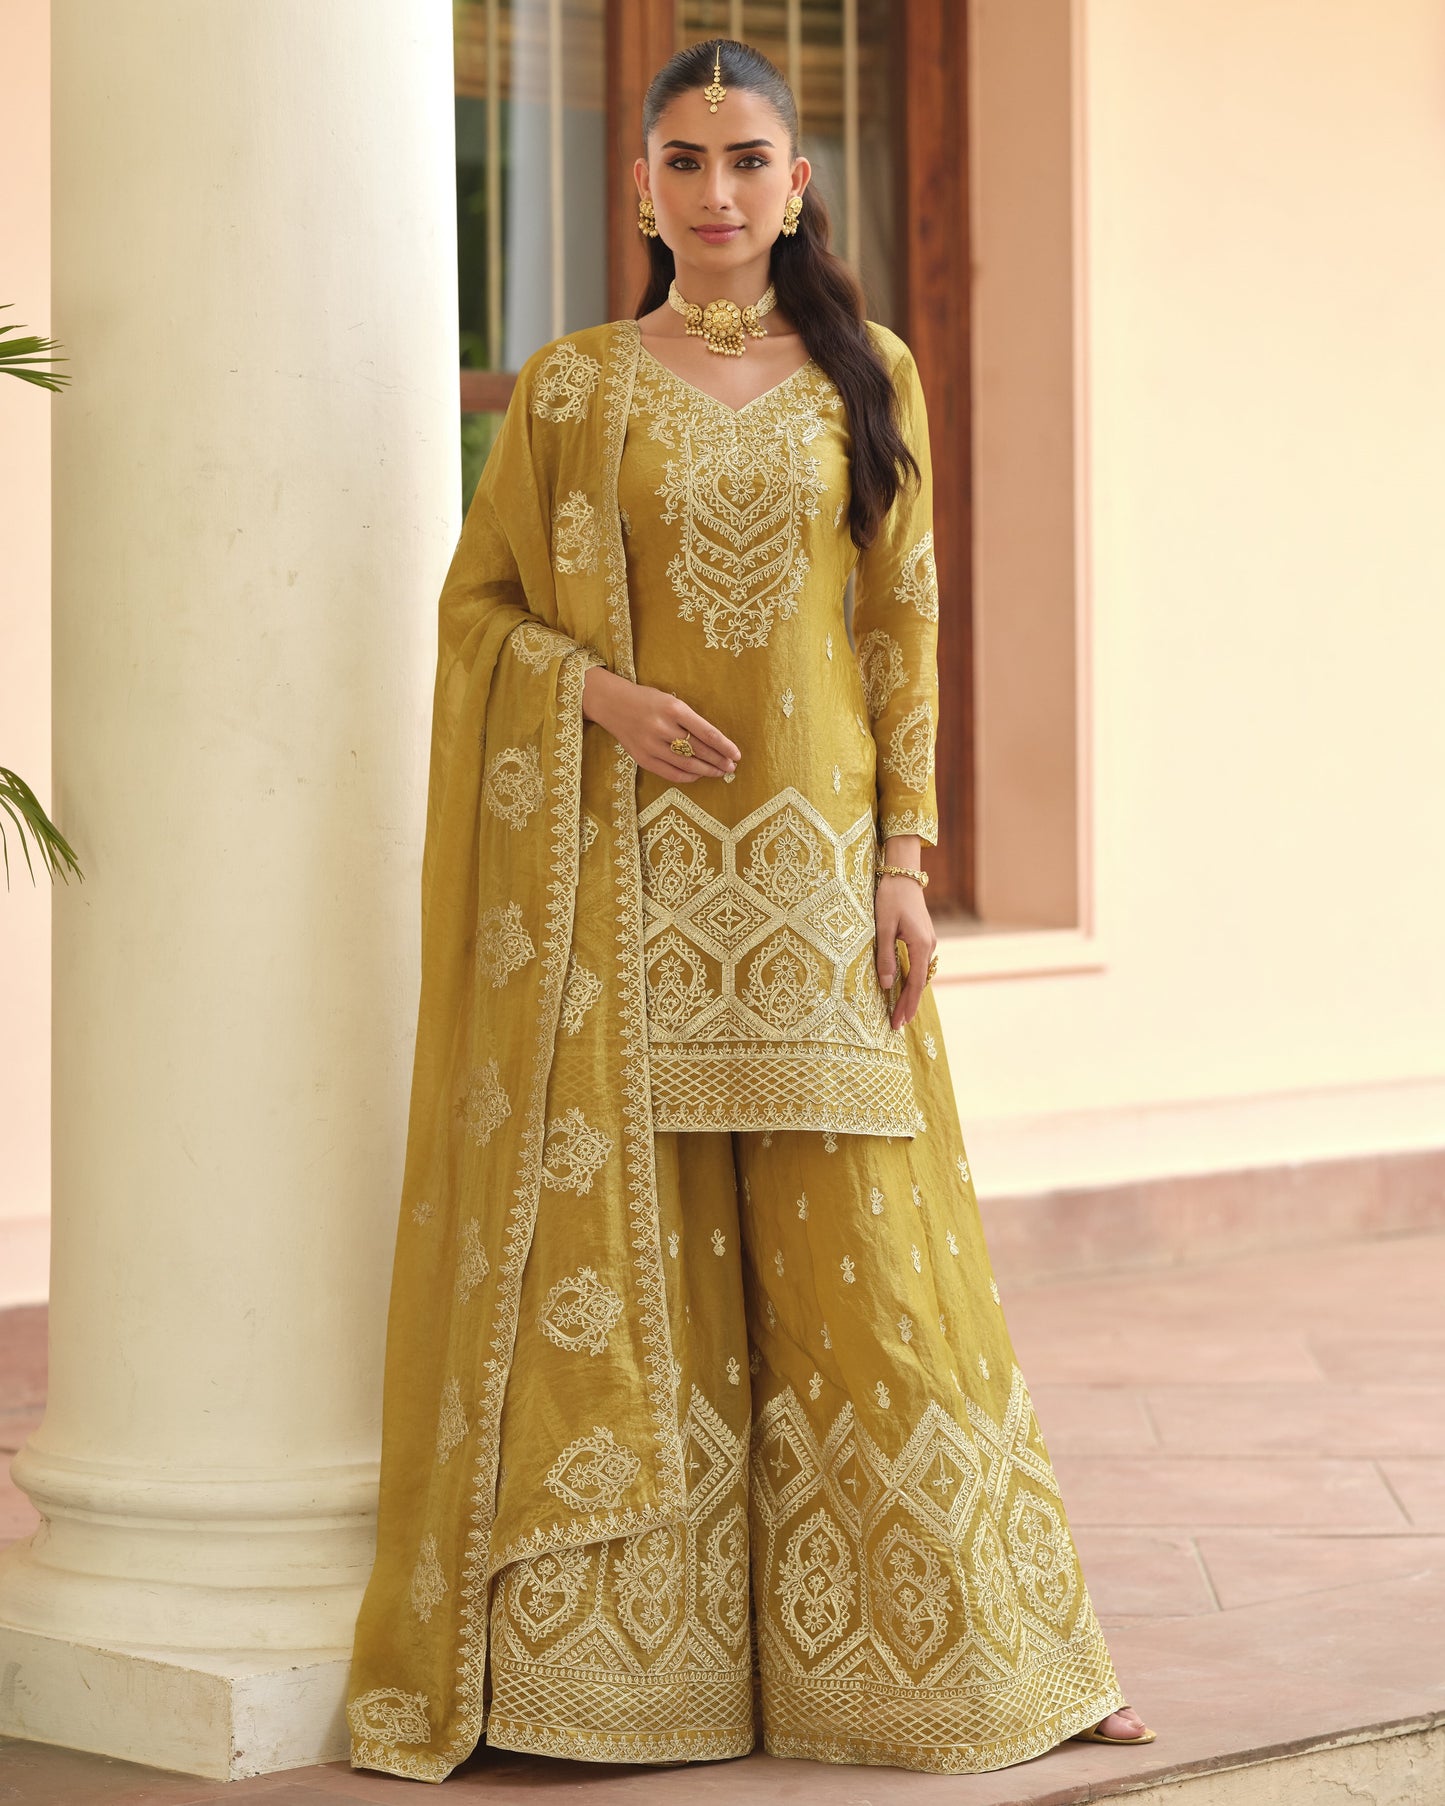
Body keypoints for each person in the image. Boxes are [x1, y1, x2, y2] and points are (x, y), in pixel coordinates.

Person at [345, 35, 1154, 1782]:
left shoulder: (870, 376)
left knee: (870, 1263)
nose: (717, 193)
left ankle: (986, 1655)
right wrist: (599, 699)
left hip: (805, 879)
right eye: (686, 160)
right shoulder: (569, 391)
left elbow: (900, 627)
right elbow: (478, 613)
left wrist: (901, 860)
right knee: (629, 1259)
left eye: (749, 161)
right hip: (616, 885)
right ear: (639, 186)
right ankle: (626, 1681)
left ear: (799, 186)